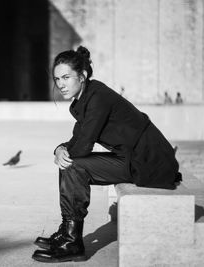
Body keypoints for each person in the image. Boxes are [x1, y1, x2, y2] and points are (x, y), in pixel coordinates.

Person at [32, 46, 181, 263]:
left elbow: (82, 146)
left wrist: (65, 152)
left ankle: (72, 241)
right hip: (132, 156)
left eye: (66, 77)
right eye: (57, 79)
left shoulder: (98, 97)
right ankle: (67, 232)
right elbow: (77, 140)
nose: (60, 84)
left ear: (82, 77)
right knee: (69, 162)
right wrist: (59, 148)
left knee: (74, 165)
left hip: (149, 162)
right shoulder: (85, 99)